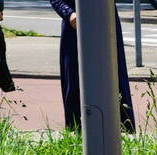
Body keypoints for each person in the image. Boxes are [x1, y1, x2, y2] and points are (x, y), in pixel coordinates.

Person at [49, 0, 136, 133]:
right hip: (75, 28)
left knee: (112, 76)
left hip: (105, 23)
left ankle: (121, 131)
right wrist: (69, 13)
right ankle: (77, 131)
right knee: (75, 79)